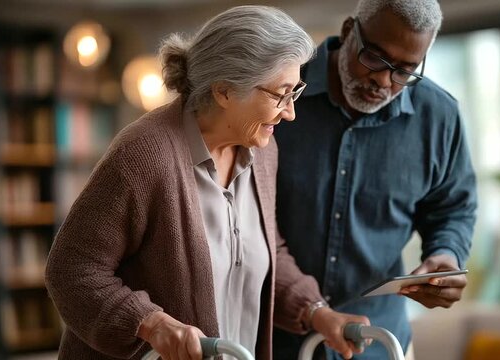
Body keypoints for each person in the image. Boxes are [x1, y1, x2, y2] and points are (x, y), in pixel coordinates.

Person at [45, 5, 369, 360]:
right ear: (225, 91)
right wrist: (150, 324)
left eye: (295, 91)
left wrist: (317, 311)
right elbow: (71, 269)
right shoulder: (142, 155)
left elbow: (264, 250)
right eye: (280, 93)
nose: (290, 112)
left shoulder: (263, 151)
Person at [273, 0, 478, 359]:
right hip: (275, 339)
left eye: (404, 71)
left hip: (379, 343)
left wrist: (445, 254)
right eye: (375, 59)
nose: (383, 80)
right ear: (350, 30)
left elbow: (452, 208)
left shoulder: (439, 117)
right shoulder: (281, 90)